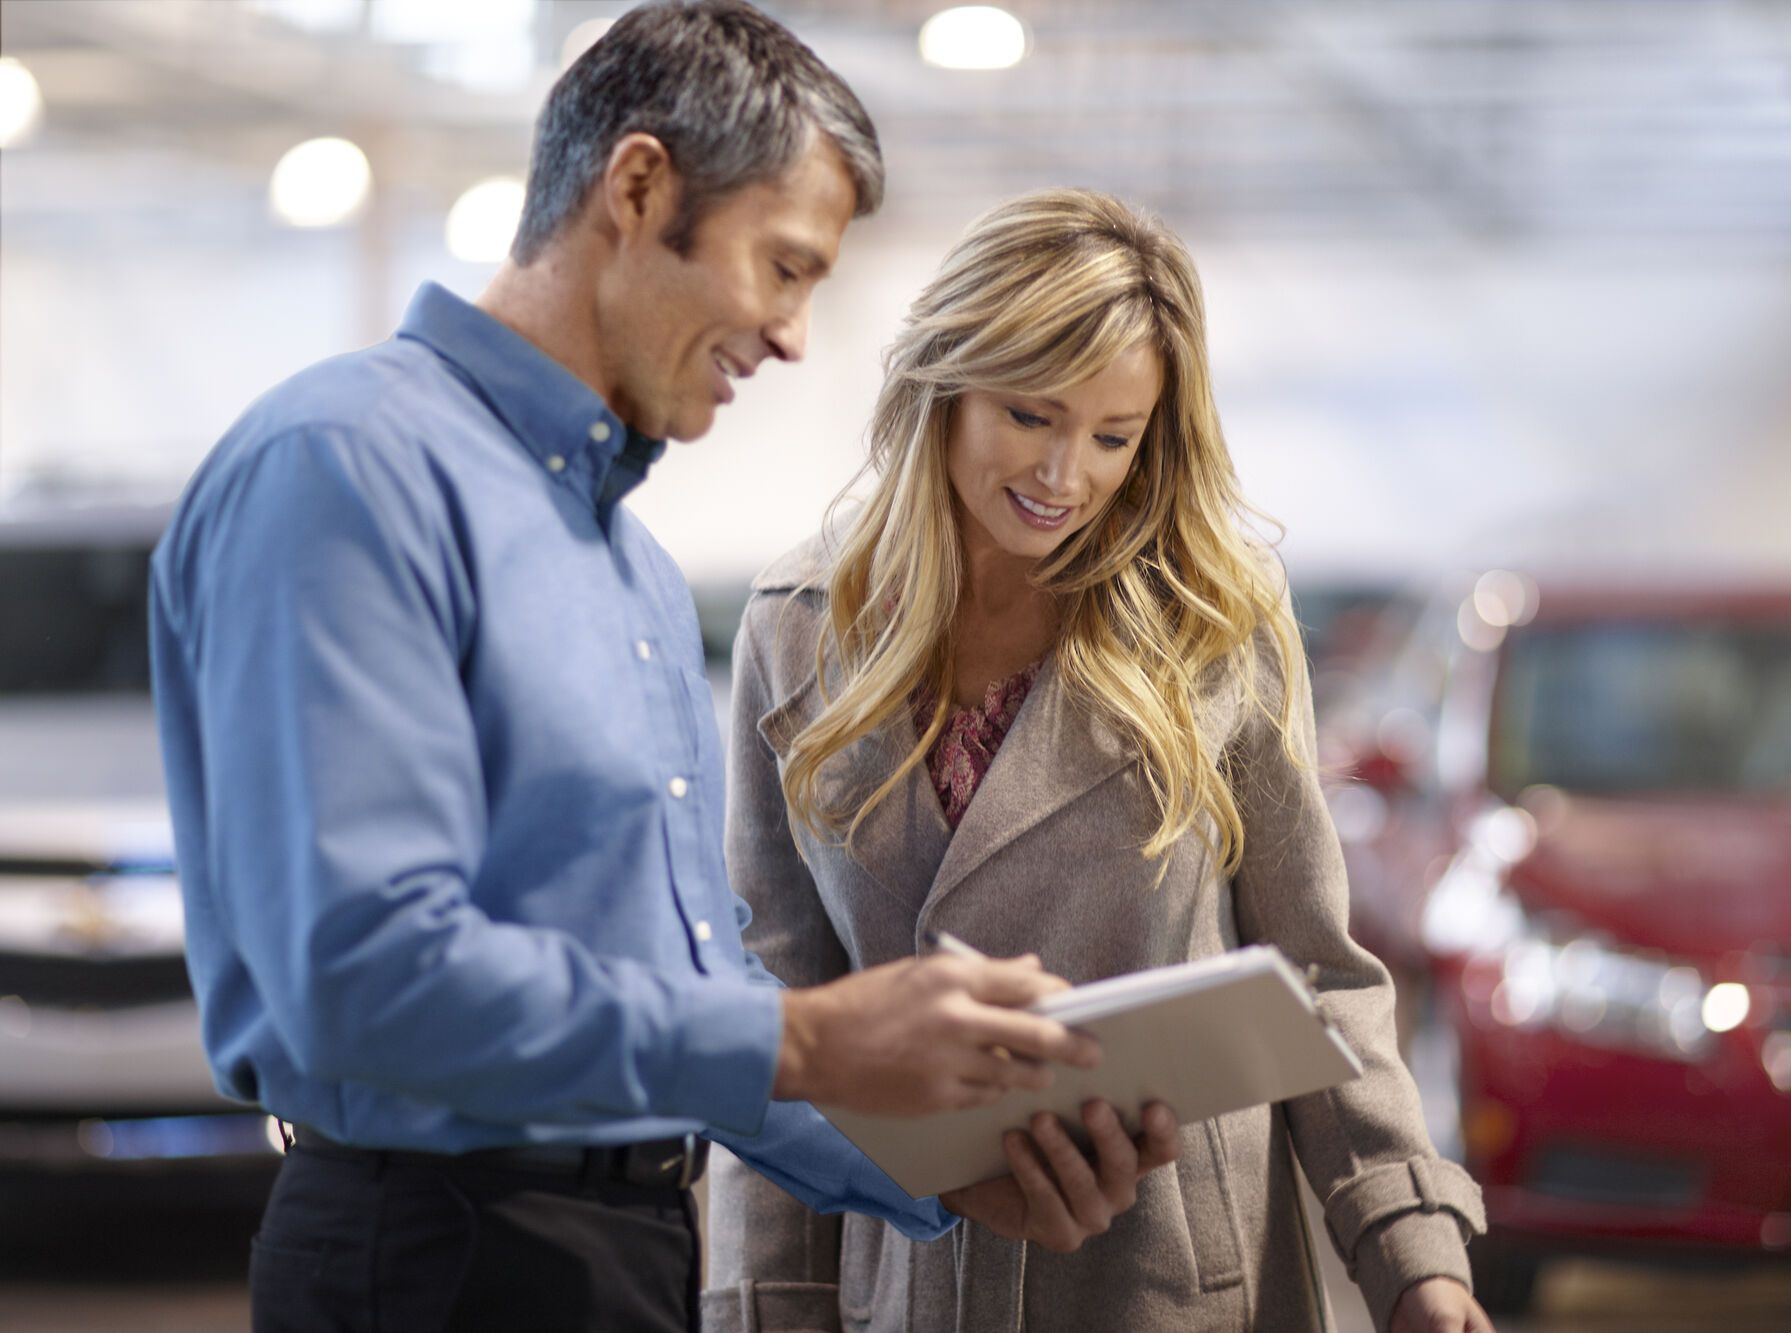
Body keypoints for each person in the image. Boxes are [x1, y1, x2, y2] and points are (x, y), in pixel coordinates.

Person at [147, 8, 1177, 1331]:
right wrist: (814, 1038)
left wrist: (947, 1175)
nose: (796, 334)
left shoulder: (623, 564)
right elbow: (363, 974)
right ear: (637, 188)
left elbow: (689, 997)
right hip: (429, 1257)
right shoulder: (346, 472)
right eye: (784, 267)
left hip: (620, 1248)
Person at [706, 189, 1493, 1333]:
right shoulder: (796, 626)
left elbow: (1317, 968)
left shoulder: (1212, 615)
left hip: (1176, 1277)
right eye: (1031, 415)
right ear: (944, 384)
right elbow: (779, 1008)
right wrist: (761, 1307)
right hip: (920, 1278)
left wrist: (1410, 1252)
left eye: (1114, 436)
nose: (1066, 476)